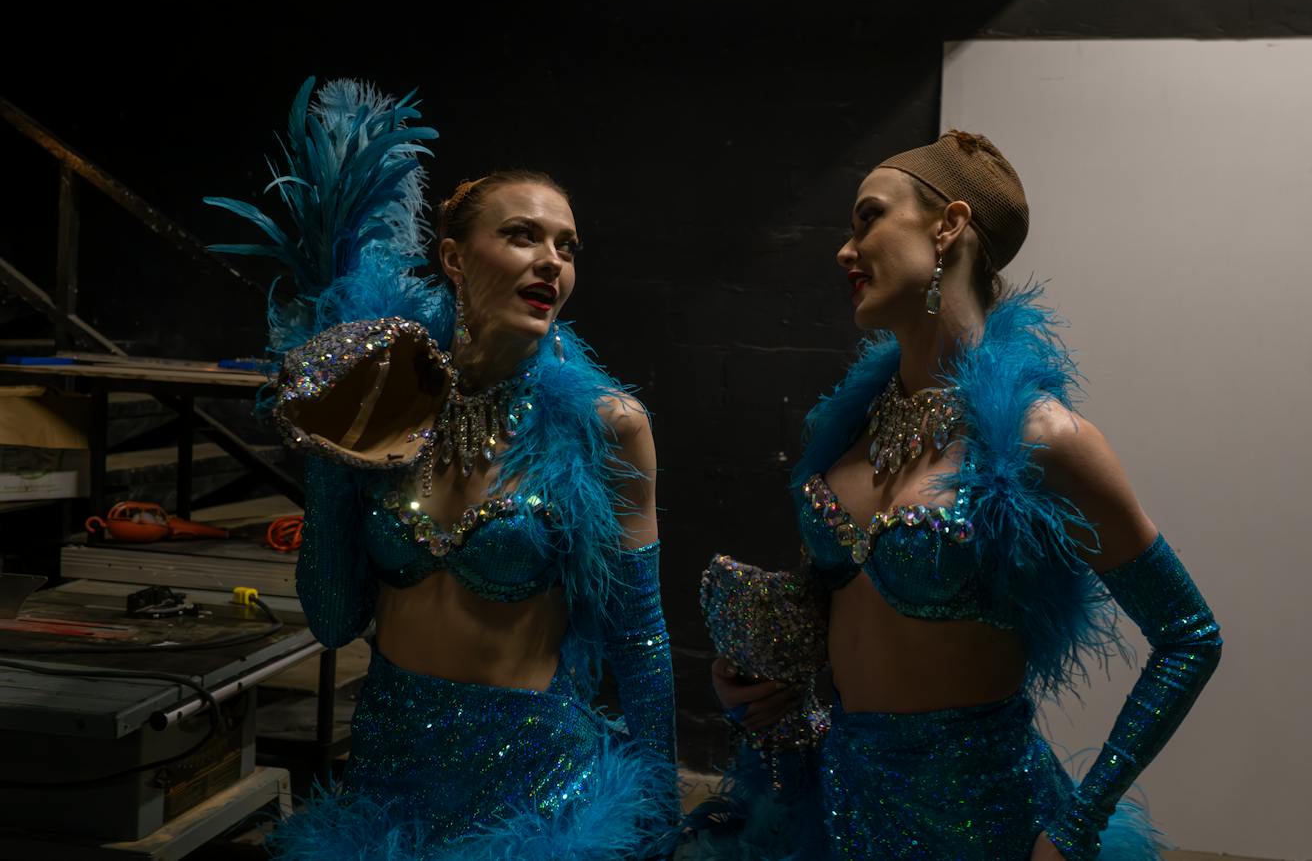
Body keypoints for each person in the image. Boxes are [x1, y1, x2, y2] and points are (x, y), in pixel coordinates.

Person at [694, 131, 1222, 860]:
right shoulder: (845, 430)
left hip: (983, 827)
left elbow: (1189, 637)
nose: (847, 252)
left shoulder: (1043, 439)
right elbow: (850, 613)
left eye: (868, 217)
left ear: (948, 225)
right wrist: (763, 683)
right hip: (835, 808)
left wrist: (1080, 822)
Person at [209, 78, 676, 860]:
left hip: (535, 797)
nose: (552, 262)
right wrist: (329, 464)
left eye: (567, 246)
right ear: (455, 258)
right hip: (387, 785)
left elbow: (642, 641)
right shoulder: (390, 405)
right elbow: (332, 619)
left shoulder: (612, 427)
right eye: (524, 236)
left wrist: (661, 819)